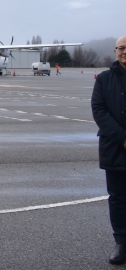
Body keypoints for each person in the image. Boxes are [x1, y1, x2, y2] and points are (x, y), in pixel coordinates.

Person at [92, 36, 126, 265]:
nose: (124, 52)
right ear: (115, 51)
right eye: (121, 48)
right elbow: (99, 109)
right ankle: (121, 242)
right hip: (115, 148)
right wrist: (122, 137)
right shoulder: (104, 79)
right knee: (117, 198)